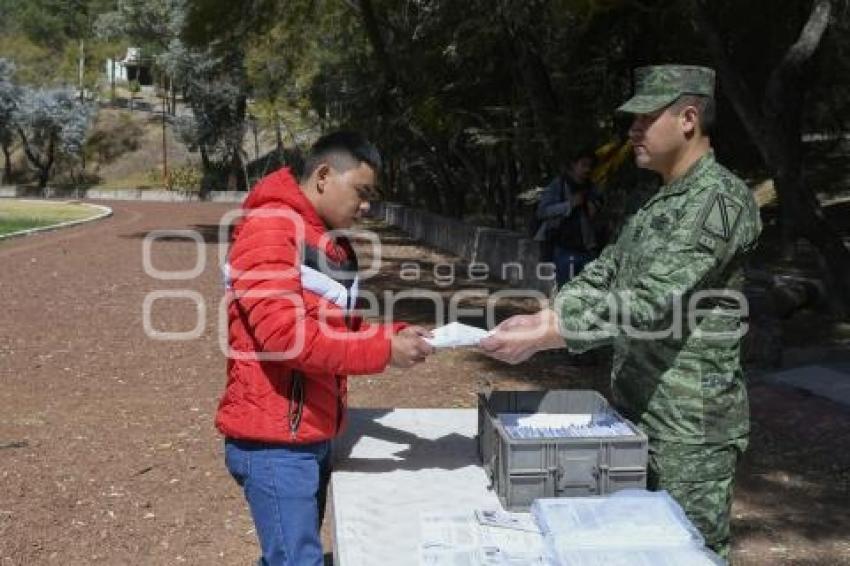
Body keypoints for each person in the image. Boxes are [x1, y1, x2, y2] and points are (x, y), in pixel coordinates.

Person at [480, 65, 762, 561]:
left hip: (689, 429)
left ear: (689, 118)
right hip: (633, 410)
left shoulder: (719, 200)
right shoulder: (652, 202)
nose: (631, 131)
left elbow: (654, 299)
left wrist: (554, 332)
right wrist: (549, 314)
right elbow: (606, 271)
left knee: (690, 551)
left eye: (645, 118)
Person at [216, 131, 434, 566]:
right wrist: (382, 350)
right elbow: (285, 338)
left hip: (306, 433)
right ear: (322, 176)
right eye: (361, 191)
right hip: (275, 444)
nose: (367, 205)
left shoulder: (321, 238)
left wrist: (398, 334)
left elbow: (338, 326)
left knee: (293, 554)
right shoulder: (271, 228)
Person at [534, 149, 604, 285]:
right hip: (563, 249)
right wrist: (569, 205)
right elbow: (542, 211)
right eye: (583, 165)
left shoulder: (593, 188)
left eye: (590, 166)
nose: (587, 170)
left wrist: (592, 206)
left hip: (587, 249)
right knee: (565, 291)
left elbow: (597, 215)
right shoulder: (558, 185)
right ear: (573, 165)